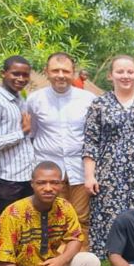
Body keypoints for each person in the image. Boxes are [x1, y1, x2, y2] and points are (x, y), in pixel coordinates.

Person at [82, 55, 134, 257]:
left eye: (130, 71)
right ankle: (115, 255)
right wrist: (89, 175)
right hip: (111, 170)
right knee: (111, 211)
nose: (125, 76)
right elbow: (91, 141)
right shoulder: (99, 103)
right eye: (120, 71)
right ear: (110, 75)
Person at [27, 52, 95, 244]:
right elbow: (31, 133)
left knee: (81, 217)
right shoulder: (35, 100)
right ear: (46, 72)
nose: (60, 75)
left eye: (65, 71)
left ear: (73, 73)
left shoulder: (88, 99)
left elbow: (93, 134)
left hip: (79, 167)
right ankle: (52, 256)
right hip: (47, 169)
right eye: (55, 70)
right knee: (51, 217)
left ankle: (81, 257)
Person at [0, 56, 36, 230]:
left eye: (25, 75)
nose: (21, 79)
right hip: (6, 179)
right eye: (16, 74)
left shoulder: (20, 100)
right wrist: (22, 132)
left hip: (26, 176)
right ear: (3, 73)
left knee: (25, 229)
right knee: (7, 229)